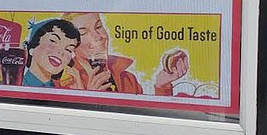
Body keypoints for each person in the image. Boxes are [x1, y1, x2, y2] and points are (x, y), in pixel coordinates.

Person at [55, 11, 188, 95]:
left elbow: (142, 121)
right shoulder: (63, 80)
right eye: (83, 32)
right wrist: (90, 99)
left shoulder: (128, 79)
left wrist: (162, 86)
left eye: (98, 27)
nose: (98, 36)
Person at [21, 19, 80, 87]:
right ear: (33, 47)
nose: (61, 52)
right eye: (53, 41)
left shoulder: (60, 89)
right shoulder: (16, 83)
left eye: (68, 50)